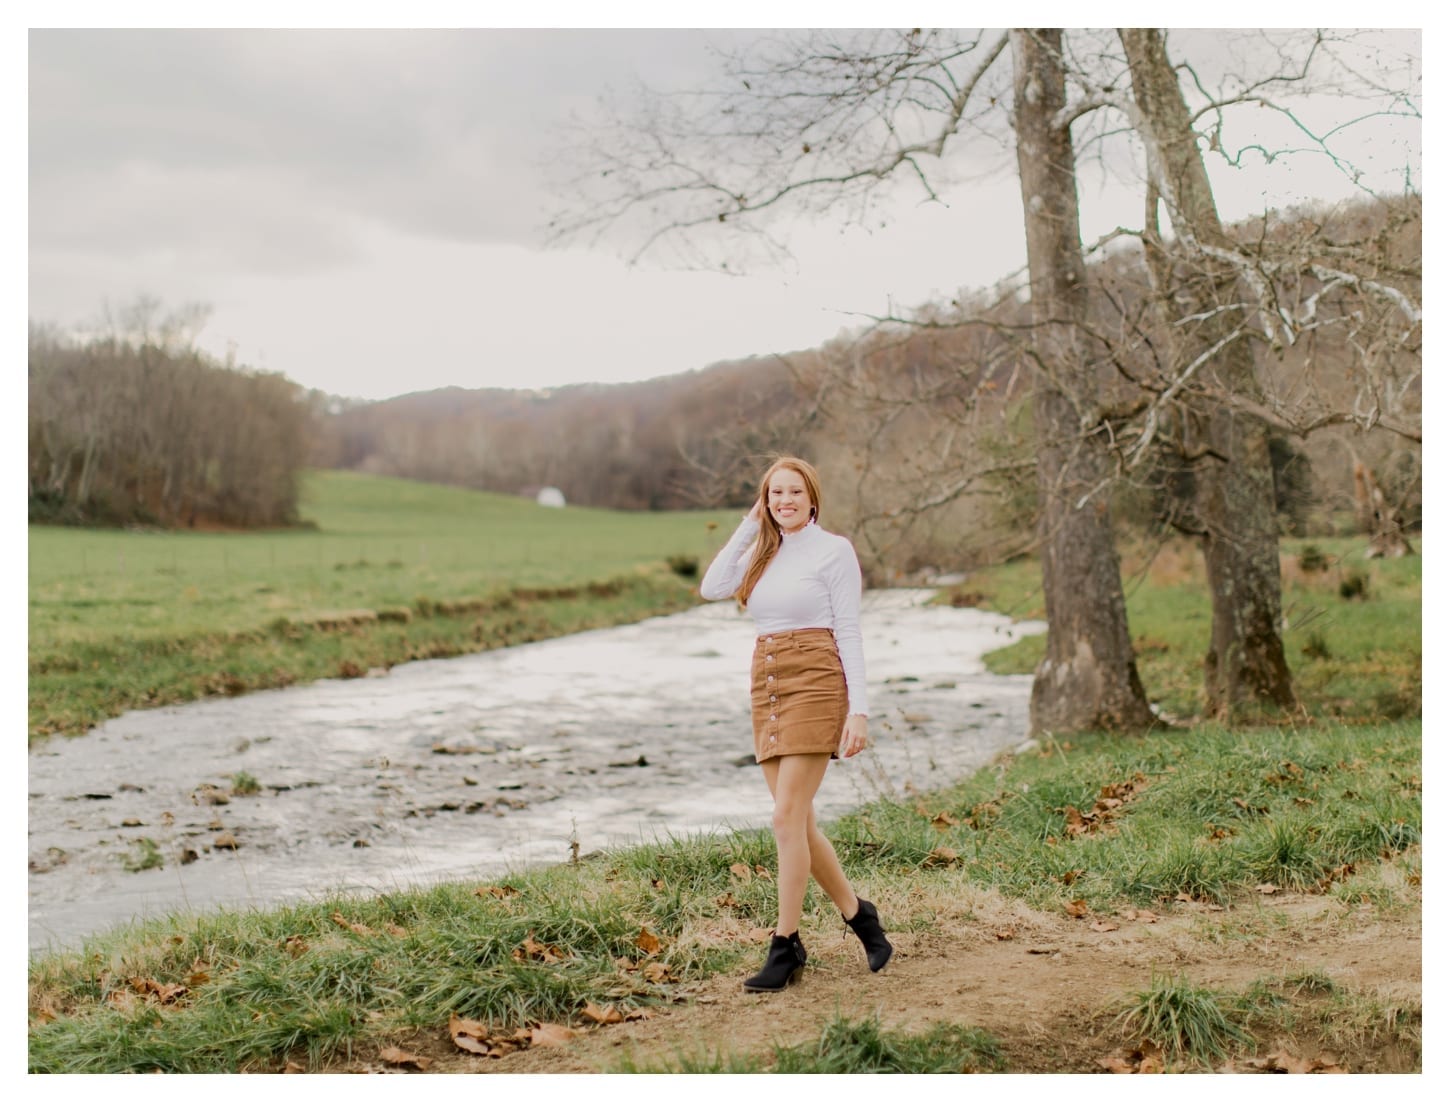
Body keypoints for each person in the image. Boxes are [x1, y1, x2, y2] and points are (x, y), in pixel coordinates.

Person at [699, 456, 893, 992]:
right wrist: (748, 525)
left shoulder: (833, 551)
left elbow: (849, 631)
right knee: (799, 822)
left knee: (784, 819)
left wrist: (859, 709)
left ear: (812, 498)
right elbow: (712, 586)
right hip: (768, 680)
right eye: (774, 493)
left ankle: (785, 945)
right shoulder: (763, 550)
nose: (784, 501)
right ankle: (862, 918)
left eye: (793, 492)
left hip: (817, 676)